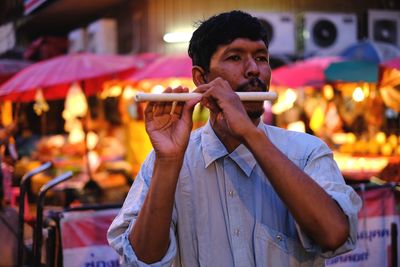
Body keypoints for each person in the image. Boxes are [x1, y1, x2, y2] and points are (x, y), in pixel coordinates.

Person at [107, 10, 362, 266]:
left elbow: (334, 235)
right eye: (235, 57)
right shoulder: (166, 163)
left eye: (261, 58)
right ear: (201, 78)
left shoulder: (306, 151)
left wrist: (250, 134)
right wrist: (168, 160)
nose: (254, 70)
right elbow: (142, 259)